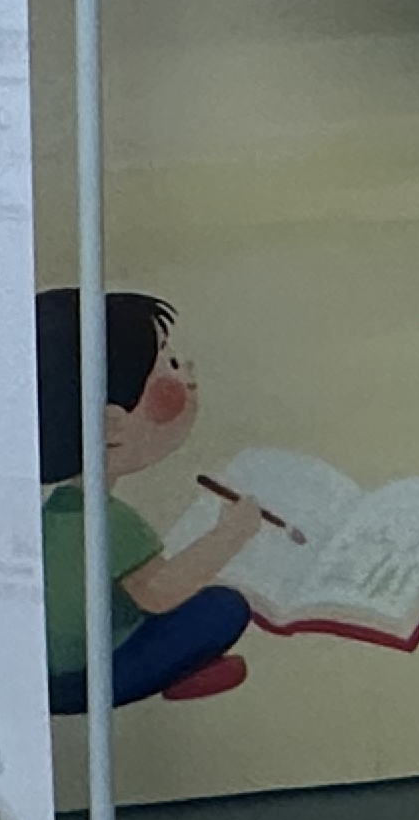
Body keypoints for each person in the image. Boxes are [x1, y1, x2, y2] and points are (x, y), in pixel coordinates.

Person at [36, 288, 274, 710]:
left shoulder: (59, 509)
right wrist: (233, 533)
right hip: (86, 676)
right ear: (111, 425)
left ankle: (186, 668)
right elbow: (159, 594)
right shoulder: (105, 519)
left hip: (52, 667)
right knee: (223, 608)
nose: (189, 376)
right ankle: (178, 669)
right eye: (171, 365)